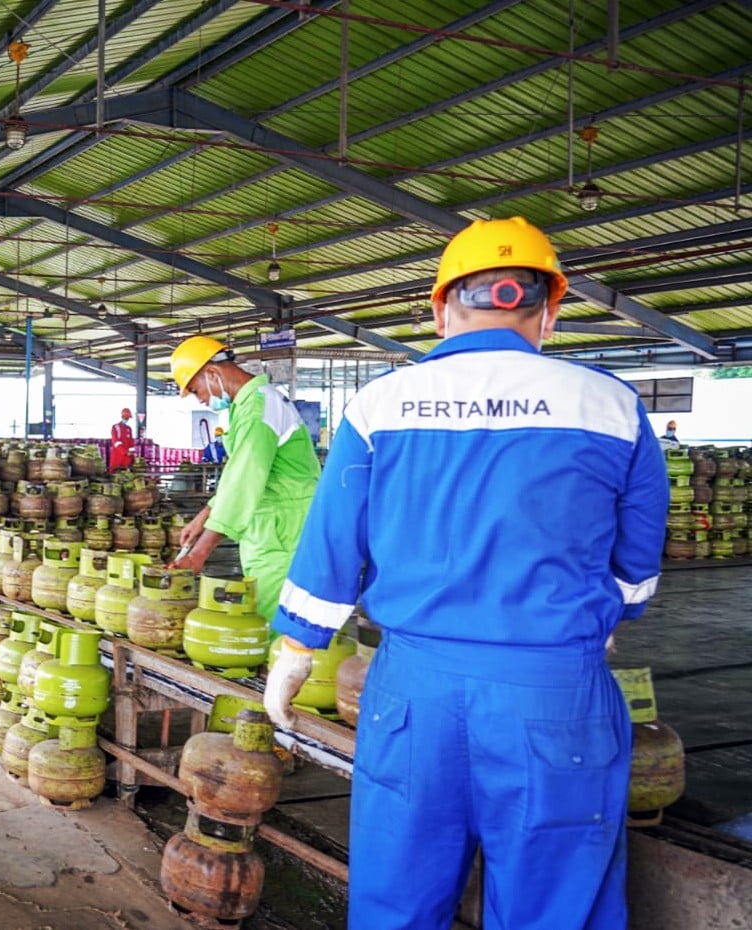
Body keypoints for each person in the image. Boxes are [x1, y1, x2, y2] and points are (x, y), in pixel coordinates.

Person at [265, 217, 669, 930]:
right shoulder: (610, 406)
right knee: (554, 905)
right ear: (549, 311)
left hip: (413, 693)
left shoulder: (381, 404)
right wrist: (596, 618)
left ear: (440, 310)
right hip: (554, 692)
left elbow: (332, 544)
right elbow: (636, 565)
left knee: (396, 900)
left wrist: (297, 648)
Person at [169, 336, 320, 623]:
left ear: (212, 373)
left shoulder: (258, 408)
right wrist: (203, 516)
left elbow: (244, 482)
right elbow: (237, 473)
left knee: (278, 623)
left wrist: (199, 553)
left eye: (196, 390)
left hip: (286, 532)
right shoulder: (249, 404)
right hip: (272, 529)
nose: (200, 399)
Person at [110, 407, 135, 471]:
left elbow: (131, 443)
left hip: (127, 458)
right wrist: (125, 452)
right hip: (118, 455)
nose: (127, 419)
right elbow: (116, 442)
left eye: (128, 418)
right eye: (126, 418)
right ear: (122, 416)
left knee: (126, 474)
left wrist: (132, 455)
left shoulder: (129, 429)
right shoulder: (115, 427)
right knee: (115, 473)